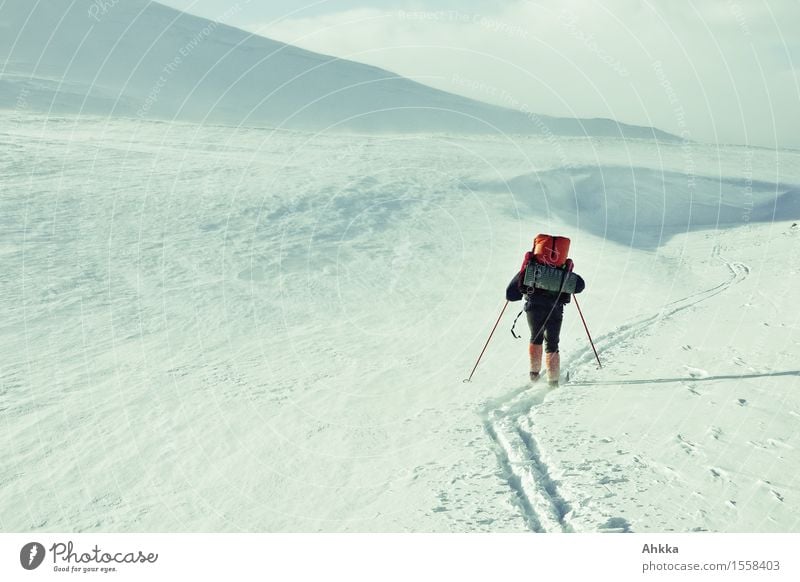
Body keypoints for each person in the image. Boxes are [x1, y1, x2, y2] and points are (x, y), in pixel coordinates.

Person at [505, 245, 585, 386]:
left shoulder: (531, 267)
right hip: (555, 309)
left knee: (535, 338)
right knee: (552, 343)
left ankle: (534, 376)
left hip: (533, 307)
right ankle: (553, 381)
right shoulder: (563, 270)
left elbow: (510, 293)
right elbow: (580, 286)